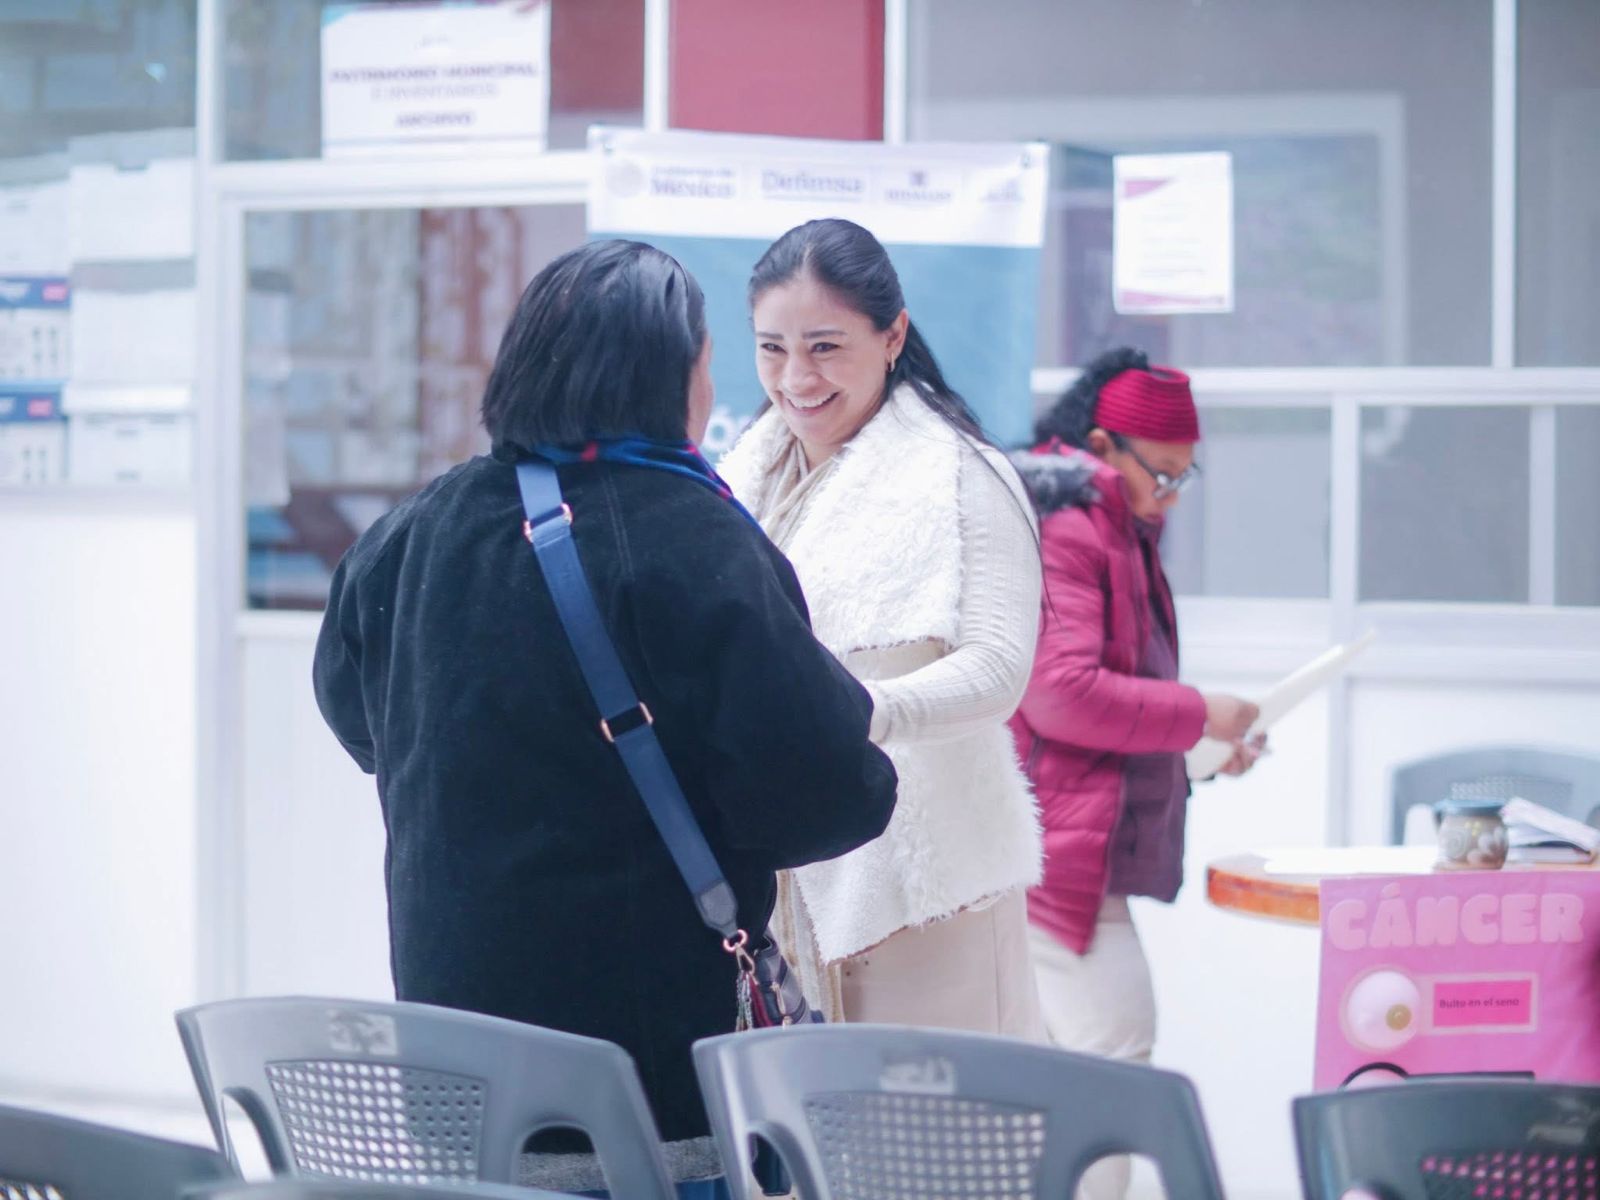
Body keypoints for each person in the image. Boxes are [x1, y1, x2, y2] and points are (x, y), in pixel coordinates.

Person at [312, 240, 898, 1197]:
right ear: (672, 378)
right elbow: (827, 798)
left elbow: (358, 720)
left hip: (459, 1080)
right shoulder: (698, 537)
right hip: (648, 1095)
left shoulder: (415, 530)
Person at [718, 218, 1044, 1037]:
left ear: (892, 334)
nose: (796, 378)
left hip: (924, 896)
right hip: (773, 895)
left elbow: (999, 668)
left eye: (826, 347)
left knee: (945, 1151)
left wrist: (856, 714)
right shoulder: (734, 482)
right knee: (798, 1151)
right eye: (771, 349)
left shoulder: (964, 474)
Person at [1008, 346, 1264, 1200]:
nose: (1170, 497)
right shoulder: (1073, 525)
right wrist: (1199, 714)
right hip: (1054, 861)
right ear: (1101, 443)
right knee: (1113, 1072)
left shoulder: (1119, 525)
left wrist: (1202, 750)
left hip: (1072, 848)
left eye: (1186, 478)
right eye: (1162, 474)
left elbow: (1117, 702)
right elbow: (1059, 696)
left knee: (1085, 1082)